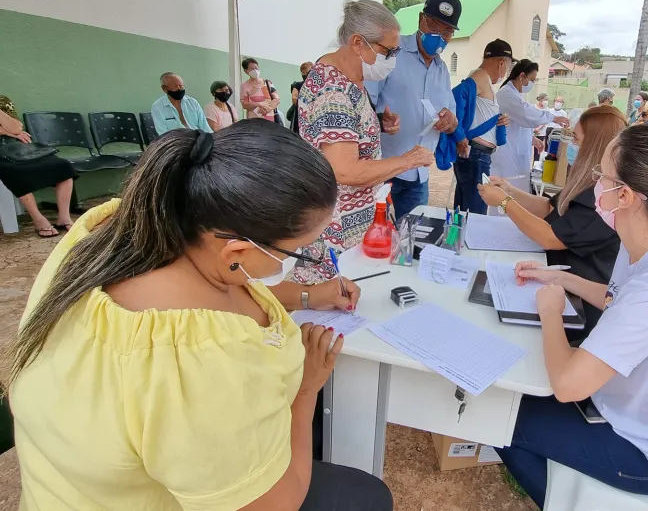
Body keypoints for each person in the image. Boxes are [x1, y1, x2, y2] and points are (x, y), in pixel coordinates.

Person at [8, 120, 393, 511]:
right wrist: (307, 387)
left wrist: (309, 295)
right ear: (237, 252)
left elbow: (229, 289)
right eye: (300, 250)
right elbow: (276, 504)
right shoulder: (197, 362)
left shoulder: (123, 230)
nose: (303, 259)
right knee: (368, 495)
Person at [494, 123, 648, 509]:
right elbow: (616, 298)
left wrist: (551, 311)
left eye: (600, 176)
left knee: (495, 413)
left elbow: (570, 386)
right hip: (626, 414)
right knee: (512, 399)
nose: (594, 184)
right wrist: (558, 278)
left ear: (623, 195)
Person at [294, 0, 433, 284]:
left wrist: (378, 122)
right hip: (337, 233)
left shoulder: (350, 80)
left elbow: (342, 132)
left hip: (358, 224)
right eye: (388, 50)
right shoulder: (332, 89)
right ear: (358, 42)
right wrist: (408, 160)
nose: (394, 58)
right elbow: (344, 170)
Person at [478, 106, 626, 334]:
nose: (572, 145)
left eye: (576, 139)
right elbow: (550, 207)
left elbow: (551, 237)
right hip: (557, 279)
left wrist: (506, 203)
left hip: (580, 301)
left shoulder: (605, 194)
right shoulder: (587, 180)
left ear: (594, 144)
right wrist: (510, 191)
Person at [367, 0, 461, 219]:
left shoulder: (442, 71)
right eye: (433, 26)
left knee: (412, 240)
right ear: (421, 19)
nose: (439, 35)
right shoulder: (391, 53)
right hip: (384, 169)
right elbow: (364, 103)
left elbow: (453, 120)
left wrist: (450, 122)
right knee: (376, 240)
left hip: (419, 176)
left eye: (446, 31)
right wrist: (380, 121)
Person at [441, 39, 511, 215]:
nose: (505, 72)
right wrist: (460, 137)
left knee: (466, 209)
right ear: (502, 62)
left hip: (477, 156)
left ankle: (461, 241)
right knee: (475, 212)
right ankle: (467, 242)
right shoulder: (480, 77)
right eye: (507, 67)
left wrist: (498, 120)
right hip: (476, 155)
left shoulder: (482, 79)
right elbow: (454, 99)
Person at [0, 99, 76, 238]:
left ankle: (64, 217)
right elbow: (13, 131)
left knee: (62, 165)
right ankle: (38, 219)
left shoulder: (3, 100)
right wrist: (5, 131)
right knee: (14, 172)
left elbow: (17, 128)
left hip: (17, 146)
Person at [493, 60, 569, 194]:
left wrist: (532, 139)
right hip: (507, 155)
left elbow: (518, 122)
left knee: (516, 194)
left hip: (516, 153)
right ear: (522, 76)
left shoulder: (515, 94)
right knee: (507, 196)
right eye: (532, 79)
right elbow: (526, 114)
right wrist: (553, 117)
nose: (532, 83)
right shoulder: (507, 94)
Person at [241, 57, 282, 122]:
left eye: (256, 68)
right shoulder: (244, 86)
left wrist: (268, 108)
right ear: (246, 71)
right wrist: (258, 104)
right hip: (254, 121)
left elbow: (277, 99)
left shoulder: (268, 83)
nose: (255, 70)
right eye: (252, 69)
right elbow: (245, 104)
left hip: (269, 120)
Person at [288, 61, 314, 132]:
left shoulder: (318, 86)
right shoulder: (297, 85)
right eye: (303, 72)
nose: (305, 74)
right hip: (300, 116)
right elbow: (294, 99)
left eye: (307, 72)